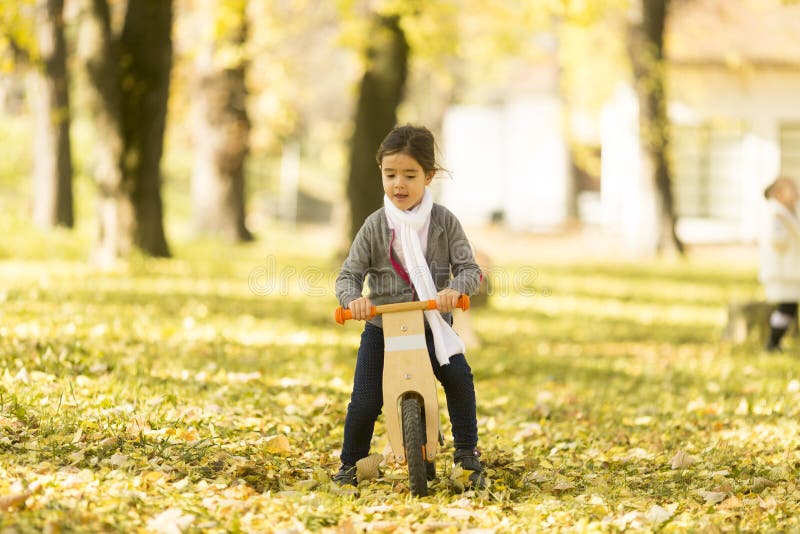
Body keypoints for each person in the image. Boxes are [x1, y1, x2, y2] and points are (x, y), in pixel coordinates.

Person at [333, 124, 485, 489]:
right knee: (366, 400)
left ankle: (467, 455)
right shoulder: (374, 226)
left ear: (428, 176)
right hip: (382, 330)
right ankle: (350, 464)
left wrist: (454, 288)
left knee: (459, 379)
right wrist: (353, 300)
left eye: (409, 175)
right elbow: (348, 275)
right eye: (390, 175)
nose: (398, 184)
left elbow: (470, 269)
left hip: (431, 326)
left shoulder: (444, 223)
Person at [759, 176, 800, 352]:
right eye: (792, 190)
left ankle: (776, 341)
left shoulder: (788, 212)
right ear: (779, 194)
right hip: (783, 270)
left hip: (789, 269)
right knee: (786, 307)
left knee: (789, 307)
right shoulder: (777, 214)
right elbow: (777, 240)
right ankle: (773, 343)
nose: (797, 193)